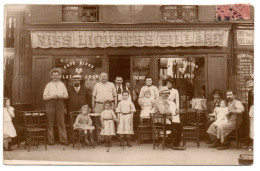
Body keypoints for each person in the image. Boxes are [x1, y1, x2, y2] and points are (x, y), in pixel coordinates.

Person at [43, 68, 68, 145]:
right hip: (50, 103)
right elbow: (44, 97)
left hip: (60, 103)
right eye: (54, 75)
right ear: (51, 76)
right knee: (50, 123)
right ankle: (50, 141)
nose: (55, 77)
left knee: (61, 122)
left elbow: (67, 96)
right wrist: (52, 96)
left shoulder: (62, 84)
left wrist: (61, 96)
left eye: (57, 75)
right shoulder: (48, 85)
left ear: (60, 76)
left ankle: (63, 140)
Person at [92, 72, 117, 143]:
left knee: (110, 121)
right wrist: (93, 106)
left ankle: (108, 139)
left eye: (105, 76)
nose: (103, 78)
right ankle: (101, 139)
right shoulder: (97, 85)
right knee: (99, 122)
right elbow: (93, 96)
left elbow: (115, 95)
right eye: (102, 76)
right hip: (99, 104)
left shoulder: (111, 84)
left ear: (107, 77)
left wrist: (115, 105)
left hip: (109, 105)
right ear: (99, 77)